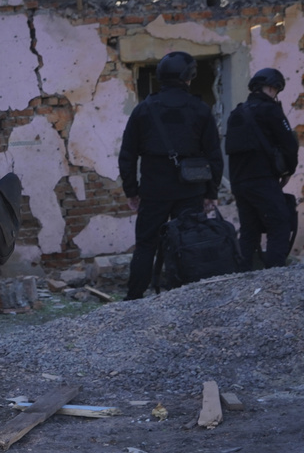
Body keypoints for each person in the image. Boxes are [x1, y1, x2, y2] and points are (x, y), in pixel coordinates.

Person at [118, 51, 223, 300]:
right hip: (191, 190)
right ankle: (185, 296)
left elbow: (127, 155)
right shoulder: (200, 110)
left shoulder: (143, 110)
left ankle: (133, 298)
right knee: (187, 243)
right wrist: (211, 192)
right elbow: (214, 157)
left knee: (145, 244)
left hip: (153, 191)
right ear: (188, 78)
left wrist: (131, 191)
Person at [226, 68, 300, 268]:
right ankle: (274, 277)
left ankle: (243, 275)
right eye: (276, 90)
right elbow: (290, 145)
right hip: (263, 179)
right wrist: (288, 171)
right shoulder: (270, 110)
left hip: (239, 181)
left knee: (249, 230)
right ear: (270, 87)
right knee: (279, 225)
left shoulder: (236, 113)